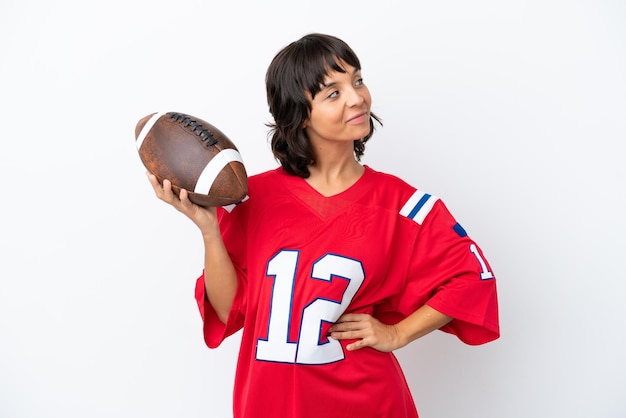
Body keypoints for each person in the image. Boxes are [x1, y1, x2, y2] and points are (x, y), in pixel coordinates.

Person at [147, 33, 499, 418]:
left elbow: (471, 278)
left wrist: (397, 333)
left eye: (358, 80)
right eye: (333, 93)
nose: (357, 97)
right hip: (270, 404)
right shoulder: (252, 198)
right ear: (298, 113)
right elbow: (230, 308)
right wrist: (209, 231)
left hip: (366, 403)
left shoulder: (404, 205)